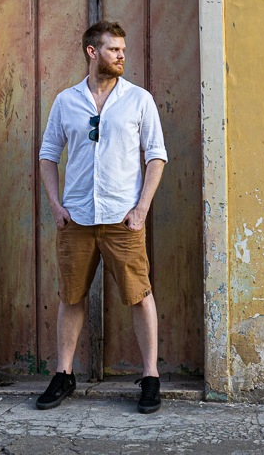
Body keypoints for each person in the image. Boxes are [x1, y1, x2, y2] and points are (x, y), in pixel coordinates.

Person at [34, 21, 168, 414]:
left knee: (139, 296)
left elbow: (155, 155)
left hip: (122, 219)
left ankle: (149, 376)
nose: (122, 55)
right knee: (71, 297)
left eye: (123, 49)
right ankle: (63, 373)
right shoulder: (65, 101)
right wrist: (56, 207)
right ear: (92, 52)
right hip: (75, 219)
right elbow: (47, 156)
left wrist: (141, 208)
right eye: (114, 49)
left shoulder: (139, 100)